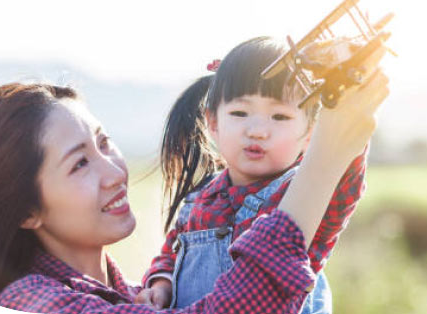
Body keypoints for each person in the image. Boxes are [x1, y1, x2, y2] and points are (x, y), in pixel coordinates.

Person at [0, 44, 387, 313]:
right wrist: (325, 159)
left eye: (105, 142)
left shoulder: (132, 295)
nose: (115, 171)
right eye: (80, 163)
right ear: (25, 209)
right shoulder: (30, 301)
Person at [138, 36, 384, 312]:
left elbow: (343, 165)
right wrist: (160, 284)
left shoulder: (303, 195)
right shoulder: (199, 200)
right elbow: (171, 253)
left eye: (279, 117)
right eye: (240, 112)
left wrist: (347, 103)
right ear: (213, 122)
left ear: (311, 134)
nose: (257, 130)